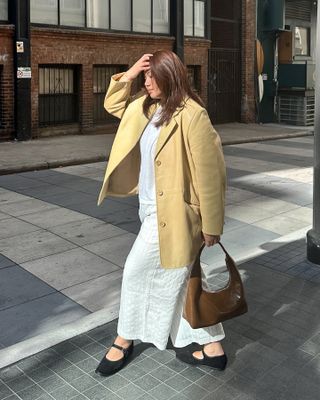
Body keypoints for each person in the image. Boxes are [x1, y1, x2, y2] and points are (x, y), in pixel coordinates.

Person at [95, 51, 227, 376]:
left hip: (175, 217)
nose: (147, 81)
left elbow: (210, 175)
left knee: (135, 270)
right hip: (150, 210)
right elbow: (113, 107)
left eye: (152, 76)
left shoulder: (193, 116)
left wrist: (212, 225)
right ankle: (213, 348)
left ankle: (123, 339)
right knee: (184, 281)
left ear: (170, 76)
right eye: (145, 77)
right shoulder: (148, 109)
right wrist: (128, 73)